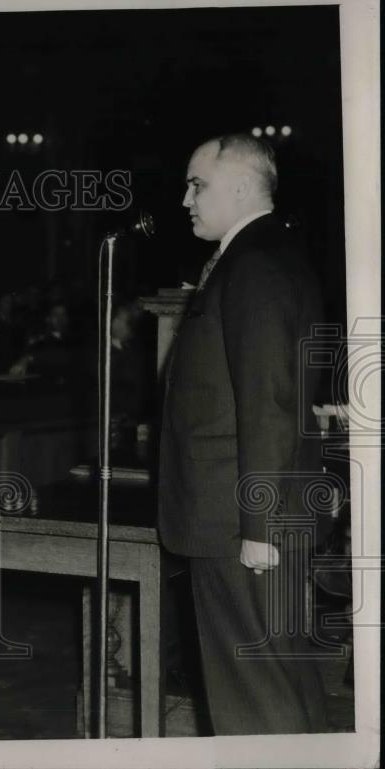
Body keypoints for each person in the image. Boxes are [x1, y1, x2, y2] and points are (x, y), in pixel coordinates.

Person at [158, 133, 330, 734]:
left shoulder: (253, 263)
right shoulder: (261, 255)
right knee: (279, 680)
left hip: (242, 522)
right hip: (244, 517)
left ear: (238, 184)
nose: (185, 199)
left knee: (252, 695)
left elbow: (269, 402)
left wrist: (258, 527)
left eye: (196, 184)